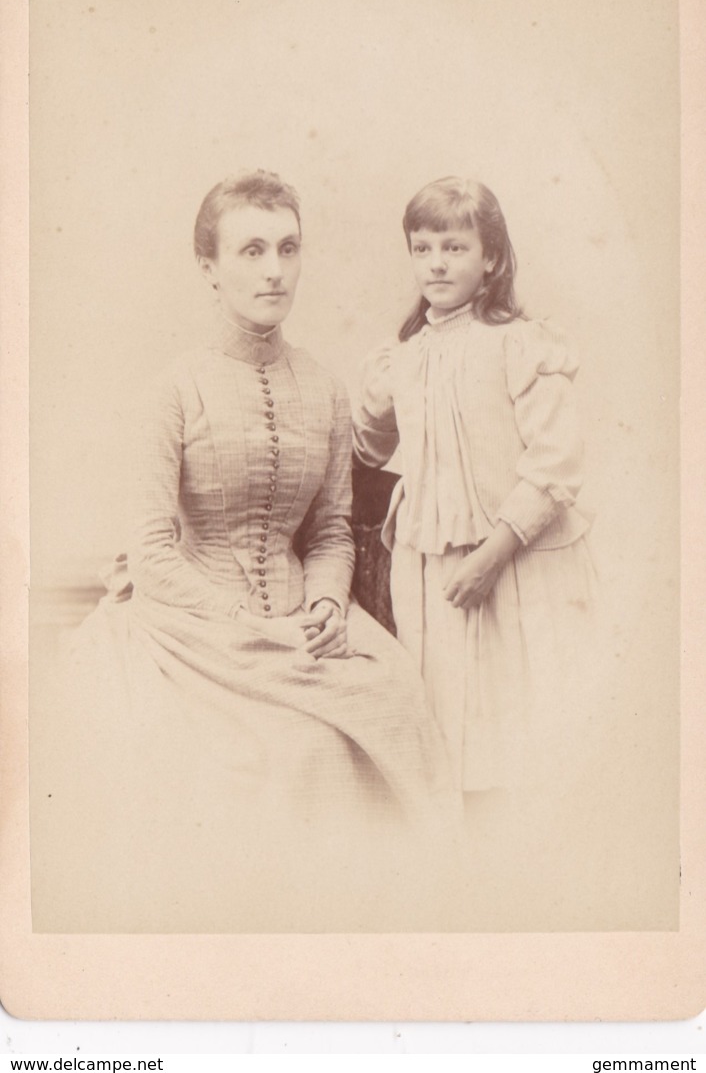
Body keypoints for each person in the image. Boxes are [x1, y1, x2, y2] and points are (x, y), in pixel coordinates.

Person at [35, 171, 456, 934]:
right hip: (195, 622)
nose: (273, 269)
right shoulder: (175, 389)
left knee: (395, 701)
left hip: (305, 613)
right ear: (209, 267)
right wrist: (242, 620)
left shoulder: (325, 390)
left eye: (287, 248)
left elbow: (329, 530)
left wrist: (328, 601)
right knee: (270, 754)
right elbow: (153, 550)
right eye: (252, 249)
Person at [353, 176, 598, 809]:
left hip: (513, 565)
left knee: (518, 735)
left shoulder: (519, 343)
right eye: (422, 247)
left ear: (490, 256)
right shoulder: (401, 357)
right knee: (446, 729)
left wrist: (491, 557)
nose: (436, 262)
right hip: (431, 567)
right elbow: (367, 445)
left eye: (455, 247)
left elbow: (556, 465)